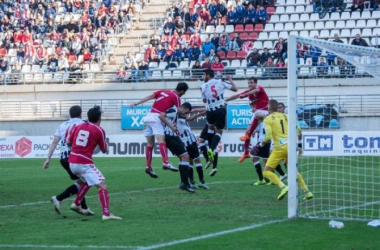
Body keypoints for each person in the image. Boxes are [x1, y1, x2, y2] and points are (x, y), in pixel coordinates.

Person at [67, 106, 122, 220]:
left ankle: (77, 204)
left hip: (72, 162)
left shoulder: (79, 126)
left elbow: (68, 142)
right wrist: (105, 146)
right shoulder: (99, 130)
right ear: (99, 118)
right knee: (102, 185)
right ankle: (106, 214)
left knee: (88, 181)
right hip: (84, 163)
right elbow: (104, 149)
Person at [130, 82, 189, 178]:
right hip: (156, 118)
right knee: (162, 140)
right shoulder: (177, 98)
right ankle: (166, 162)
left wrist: (136, 103)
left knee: (150, 144)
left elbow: (149, 96)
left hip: (147, 118)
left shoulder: (163, 91)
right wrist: (174, 124)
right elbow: (179, 111)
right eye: (184, 92)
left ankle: (148, 166)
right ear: (182, 91)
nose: (184, 94)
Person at [43, 105, 93, 216]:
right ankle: (58, 198)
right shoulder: (83, 123)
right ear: (80, 114)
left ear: (70, 114)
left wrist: (48, 159)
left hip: (63, 158)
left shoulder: (62, 125)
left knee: (80, 182)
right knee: (87, 181)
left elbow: (55, 141)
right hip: (75, 157)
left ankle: (83, 207)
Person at [259, 100, 313, 201]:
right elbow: (299, 130)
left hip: (279, 148)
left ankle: (283, 187)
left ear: (269, 108)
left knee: (266, 172)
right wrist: (299, 145)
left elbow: (268, 136)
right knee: (293, 171)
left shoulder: (268, 119)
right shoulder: (287, 116)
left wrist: (261, 144)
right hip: (291, 146)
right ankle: (307, 192)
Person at [200, 69, 238, 176]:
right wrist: (230, 80)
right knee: (219, 132)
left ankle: (210, 154)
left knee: (210, 128)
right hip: (220, 109)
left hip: (210, 112)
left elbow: (204, 101)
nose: (203, 76)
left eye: (204, 75)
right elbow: (235, 88)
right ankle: (211, 149)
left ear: (208, 75)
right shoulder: (220, 82)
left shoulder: (203, 87)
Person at [226, 77, 269, 163]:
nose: (250, 84)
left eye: (251, 83)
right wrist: (225, 100)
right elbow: (237, 95)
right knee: (247, 132)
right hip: (257, 112)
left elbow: (255, 91)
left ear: (255, 83)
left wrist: (245, 95)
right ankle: (246, 153)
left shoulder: (259, 88)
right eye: (248, 83)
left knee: (263, 134)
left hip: (265, 113)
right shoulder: (249, 93)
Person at [158, 103, 194, 193]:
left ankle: (184, 183)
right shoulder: (174, 110)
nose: (186, 114)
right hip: (171, 137)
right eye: (186, 112)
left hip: (172, 137)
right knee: (186, 157)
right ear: (183, 108)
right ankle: (185, 183)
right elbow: (161, 116)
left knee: (183, 158)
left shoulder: (177, 114)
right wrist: (171, 127)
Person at [176, 104, 209, 189]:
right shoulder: (179, 117)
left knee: (190, 161)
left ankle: (192, 182)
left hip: (185, 142)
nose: (185, 112)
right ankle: (200, 182)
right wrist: (202, 113)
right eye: (185, 110)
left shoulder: (179, 116)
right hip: (189, 142)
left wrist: (199, 111)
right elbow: (190, 118)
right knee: (196, 161)